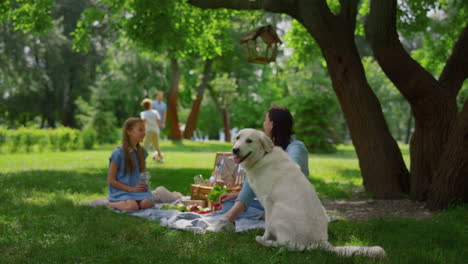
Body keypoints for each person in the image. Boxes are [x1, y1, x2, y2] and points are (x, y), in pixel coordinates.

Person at [210, 106, 310, 231]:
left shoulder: (296, 147)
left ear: (271, 124)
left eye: (265, 120)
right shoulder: (272, 148)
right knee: (227, 204)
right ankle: (266, 216)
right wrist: (237, 195)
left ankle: (229, 219)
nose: (264, 124)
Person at [107, 117, 154, 211]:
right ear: (129, 131)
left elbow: (142, 174)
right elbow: (111, 180)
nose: (144, 133)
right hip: (122, 191)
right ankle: (109, 203)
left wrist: (143, 183)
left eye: (144, 130)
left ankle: (134, 201)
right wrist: (131, 189)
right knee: (132, 207)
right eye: (140, 130)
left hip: (137, 191)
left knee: (147, 204)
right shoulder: (118, 153)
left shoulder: (142, 152)